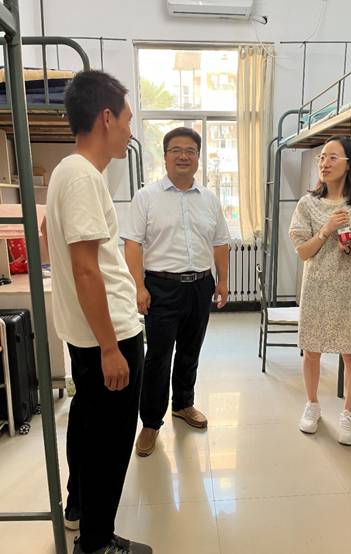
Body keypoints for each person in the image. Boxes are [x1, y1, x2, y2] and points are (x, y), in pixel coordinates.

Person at [46, 70, 152, 554]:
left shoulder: (67, 172)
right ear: (106, 118)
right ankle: (96, 543)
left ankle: (81, 514)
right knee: (110, 444)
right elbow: (87, 270)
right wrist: (111, 348)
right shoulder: (83, 177)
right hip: (109, 336)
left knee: (88, 428)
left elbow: (56, 244)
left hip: (89, 332)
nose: (130, 131)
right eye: (127, 120)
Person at [121, 127, 230, 457]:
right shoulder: (146, 197)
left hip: (200, 285)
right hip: (161, 287)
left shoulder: (209, 200)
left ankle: (183, 404)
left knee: (190, 351)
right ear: (165, 156)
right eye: (176, 150)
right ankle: (151, 422)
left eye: (190, 150)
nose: (184, 156)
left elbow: (220, 243)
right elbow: (132, 244)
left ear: (198, 157)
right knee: (158, 357)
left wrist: (222, 281)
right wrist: (138, 286)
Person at [288, 135, 351, 446]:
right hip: (316, 287)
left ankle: (349, 413)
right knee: (312, 351)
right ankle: (312, 404)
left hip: (350, 288)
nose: (324, 163)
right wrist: (326, 230)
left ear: (349, 163)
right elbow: (303, 252)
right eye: (322, 157)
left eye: (332, 157)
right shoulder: (307, 204)